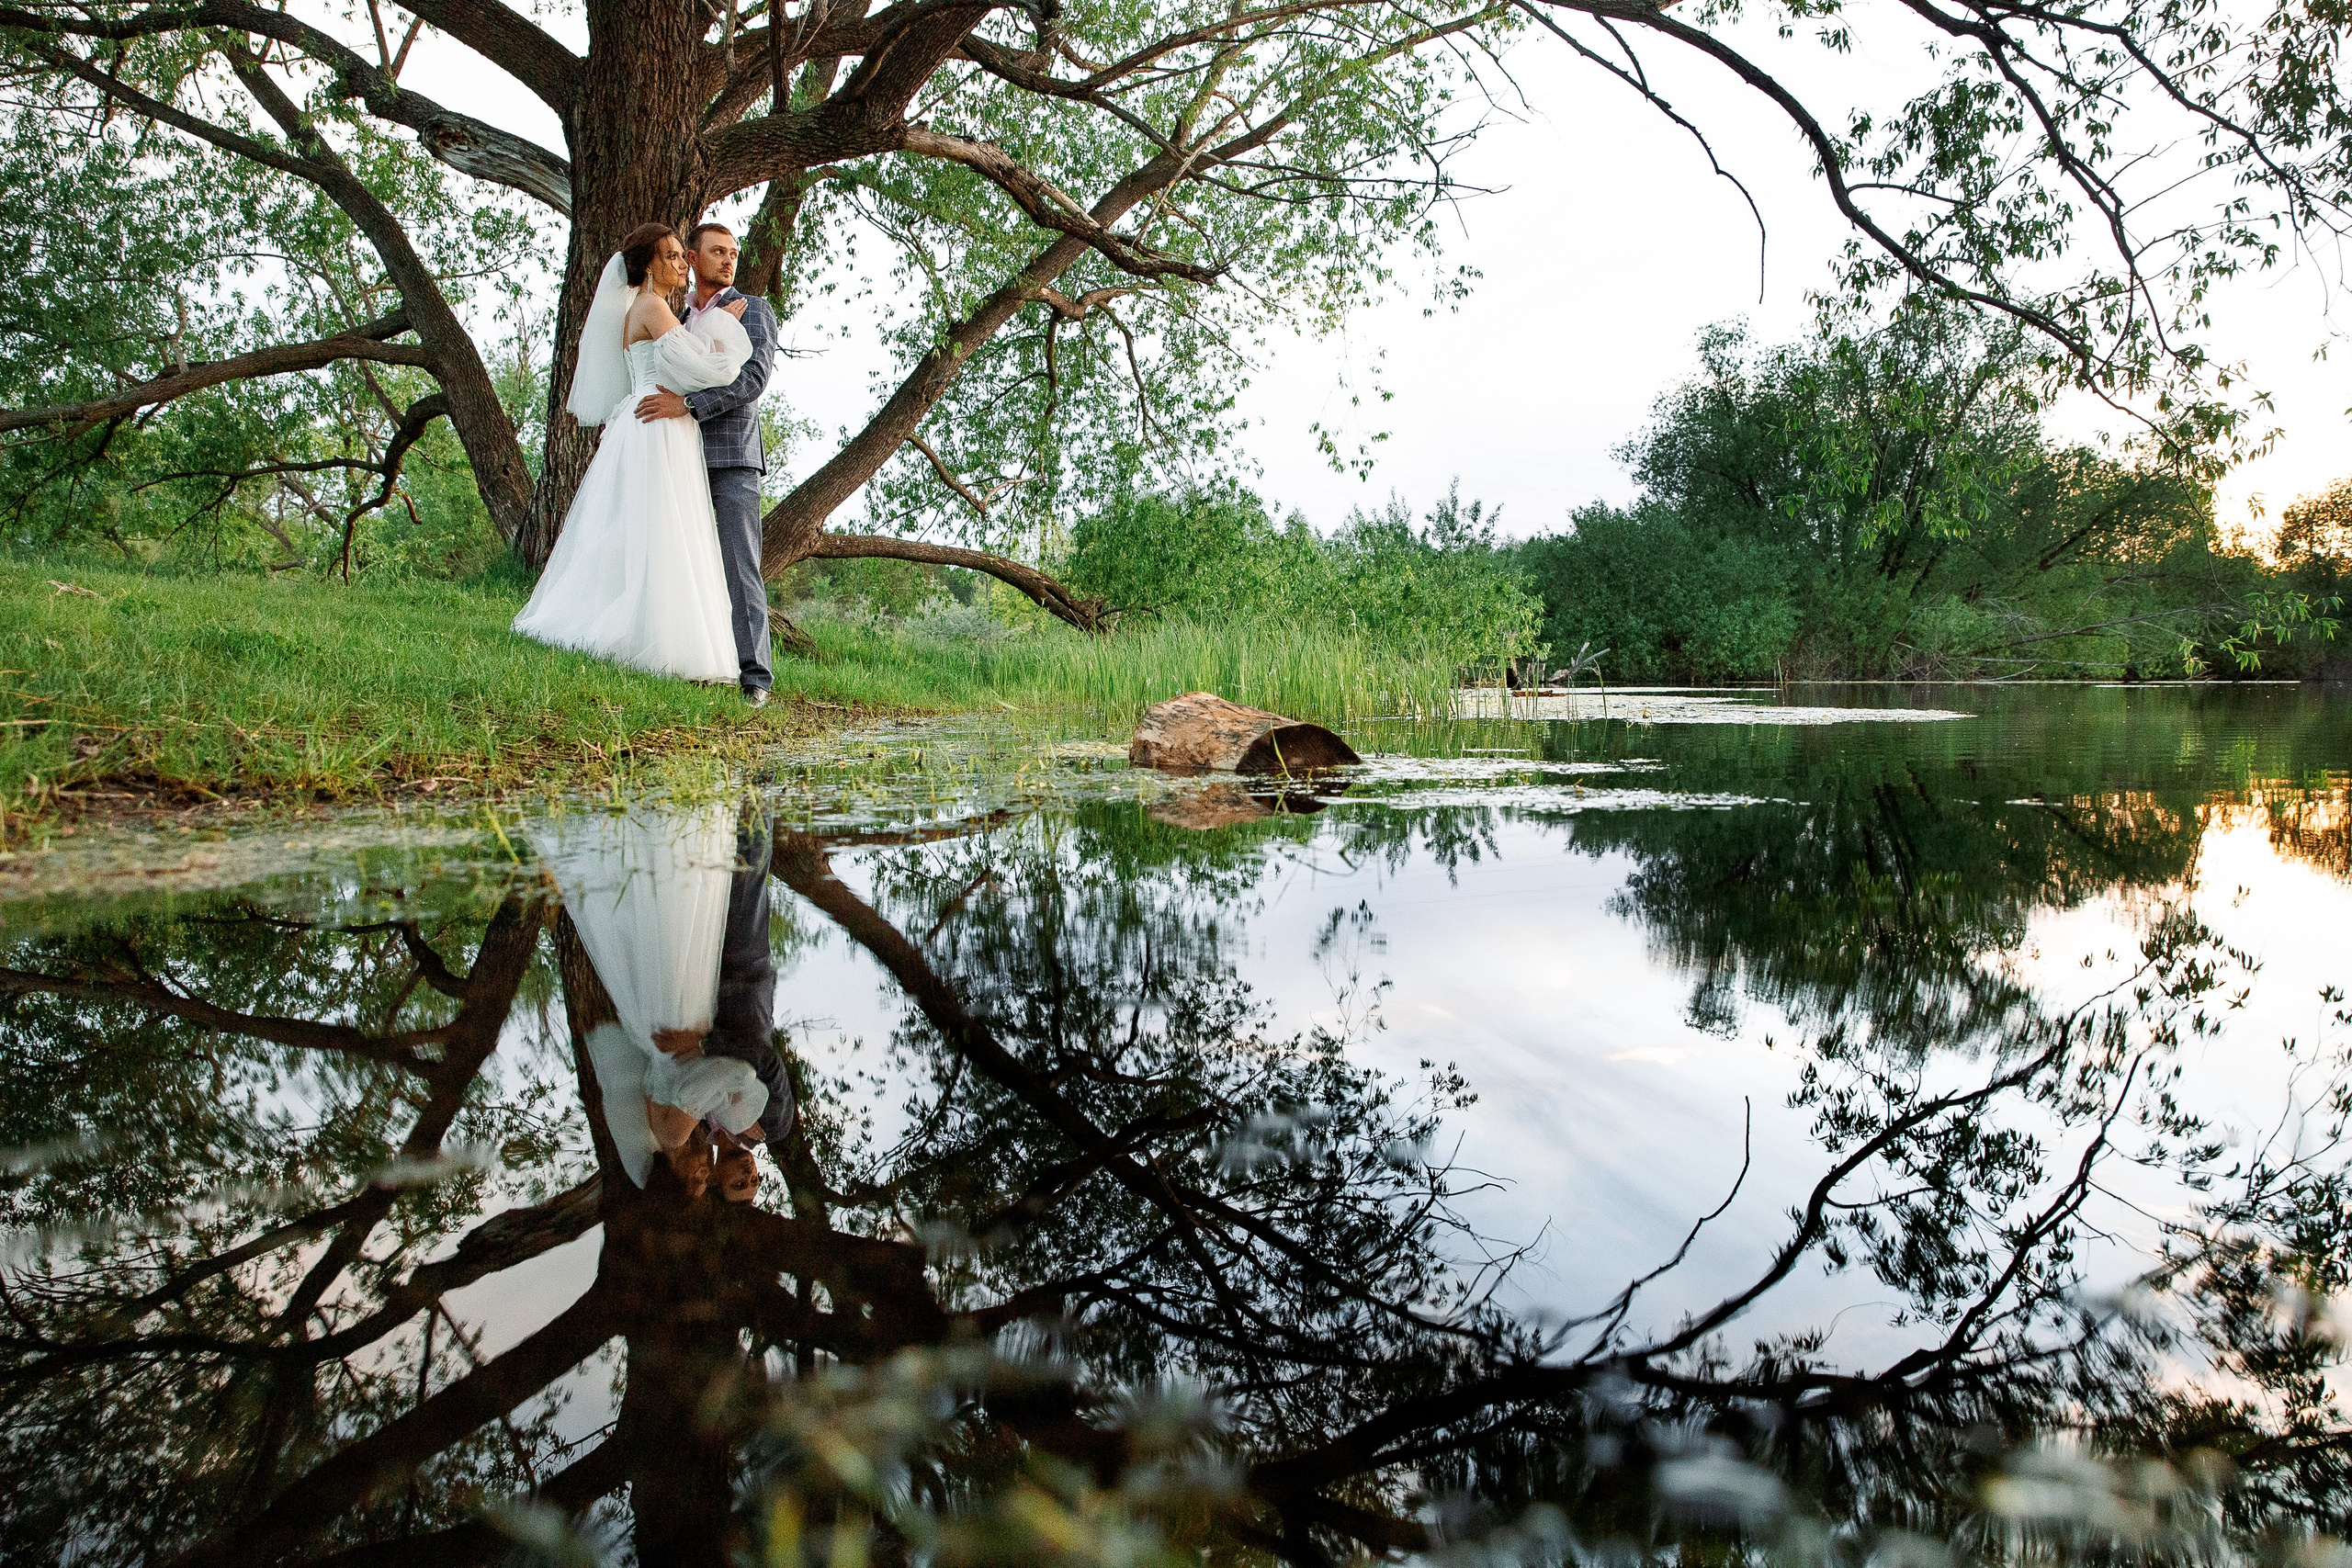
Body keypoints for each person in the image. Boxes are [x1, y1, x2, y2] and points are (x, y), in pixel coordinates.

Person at [511, 222, 753, 682]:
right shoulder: (651, 308)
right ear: (647, 265)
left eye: (684, 256)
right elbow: (707, 369)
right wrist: (725, 325)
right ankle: (657, 644)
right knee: (659, 533)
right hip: (656, 428)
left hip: (656, 423)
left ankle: (661, 636)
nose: (682, 264)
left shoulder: (652, 309)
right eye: (672, 256)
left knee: (652, 532)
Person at [630, 223, 781, 706]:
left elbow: (752, 380)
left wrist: (690, 406)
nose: (728, 260)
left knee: (741, 566)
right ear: (691, 258)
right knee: (683, 561)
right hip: (680, 457)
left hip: (732, 456)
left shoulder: (752, 310)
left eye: (733, 253)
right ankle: (689, 662)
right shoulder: (674, 315)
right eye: (717, 252)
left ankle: (756, 680)